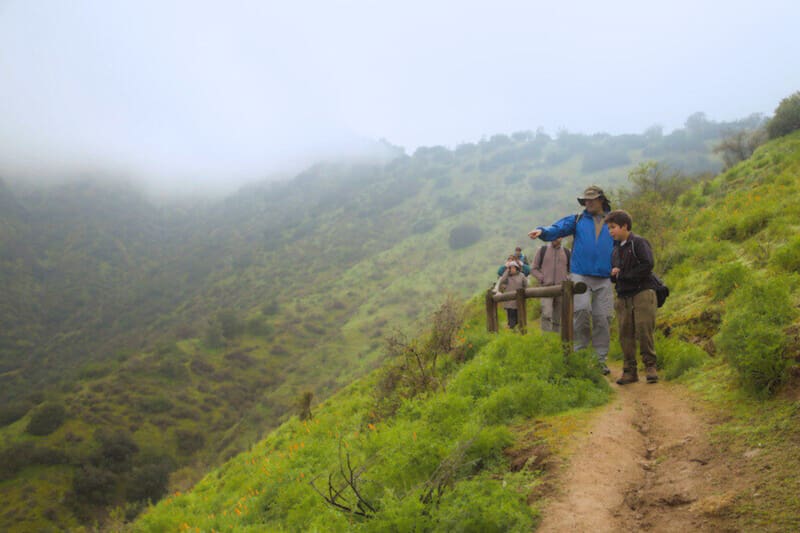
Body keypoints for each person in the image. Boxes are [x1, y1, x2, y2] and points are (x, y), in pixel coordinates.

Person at [528, 185, 614, 374]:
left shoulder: (613, 220)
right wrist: (543, 231)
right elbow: (558, 228)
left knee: (602, 319)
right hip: (580, 274)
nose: (588, 203)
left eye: (591, 199)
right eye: (585, 200)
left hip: (605, 276)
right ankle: (581, 355)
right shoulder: (577, 220)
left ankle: (600, 360)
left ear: (601, 200)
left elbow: (623, 239)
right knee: (581, 312)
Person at [605, 210, 659, 384]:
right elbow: (614, 276)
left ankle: (650, 367)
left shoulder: (639, 243)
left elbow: (648, 264)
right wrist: (614, 275)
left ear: (624, 226)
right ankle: (629, 371)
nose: (610, 231)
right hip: (623, 296)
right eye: (609, 228)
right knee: (625, 334)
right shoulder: (615, 250)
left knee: (644, 330)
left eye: (613, 227)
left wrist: (623, 274)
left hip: (643, 292)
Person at [530, 237, 571, 332]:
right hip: (546, 289)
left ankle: (555, 340)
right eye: (553, 235)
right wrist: (542, 278)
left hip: (561, 289)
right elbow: (533, 269)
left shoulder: (567, 252)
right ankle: (546, 340)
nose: (555, 238)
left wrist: (567, 278)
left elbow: (572, 270)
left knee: (558, 317)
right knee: (546, 314)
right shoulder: (542, 250)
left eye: (558, 236)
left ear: (562, 238)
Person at [493, 261, 529, 329]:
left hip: (519, 300)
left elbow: (526, 285)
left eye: (513, 268)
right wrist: (506, 272)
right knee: (511, 318)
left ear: (516, 268)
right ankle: (512, 332)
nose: (512, 269)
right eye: (510, 268)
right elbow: (502, 281)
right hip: (509, 301)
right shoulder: (507, 276)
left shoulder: (521, 275)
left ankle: (520, 331)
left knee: (519, 317)